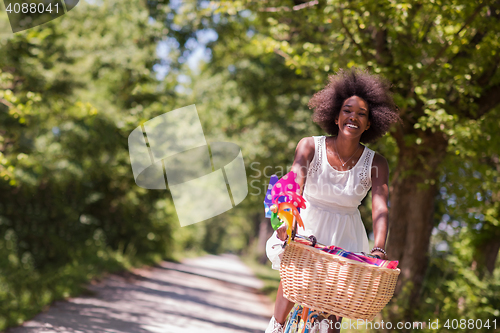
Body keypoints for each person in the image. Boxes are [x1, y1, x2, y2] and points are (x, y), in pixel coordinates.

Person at [264, 68, 400, 333]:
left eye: (362, 114)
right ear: (336, 116)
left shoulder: (377, 163)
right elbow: (295, 181)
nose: (354, 117)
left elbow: (380, 207)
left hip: (346, 233)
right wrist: (287, 220)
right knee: (292, 283)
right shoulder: (310, 146)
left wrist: (379, 248)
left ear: (370, 123)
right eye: (348, 111)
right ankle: (277, 327)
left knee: (334, 312)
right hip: (307, 221)